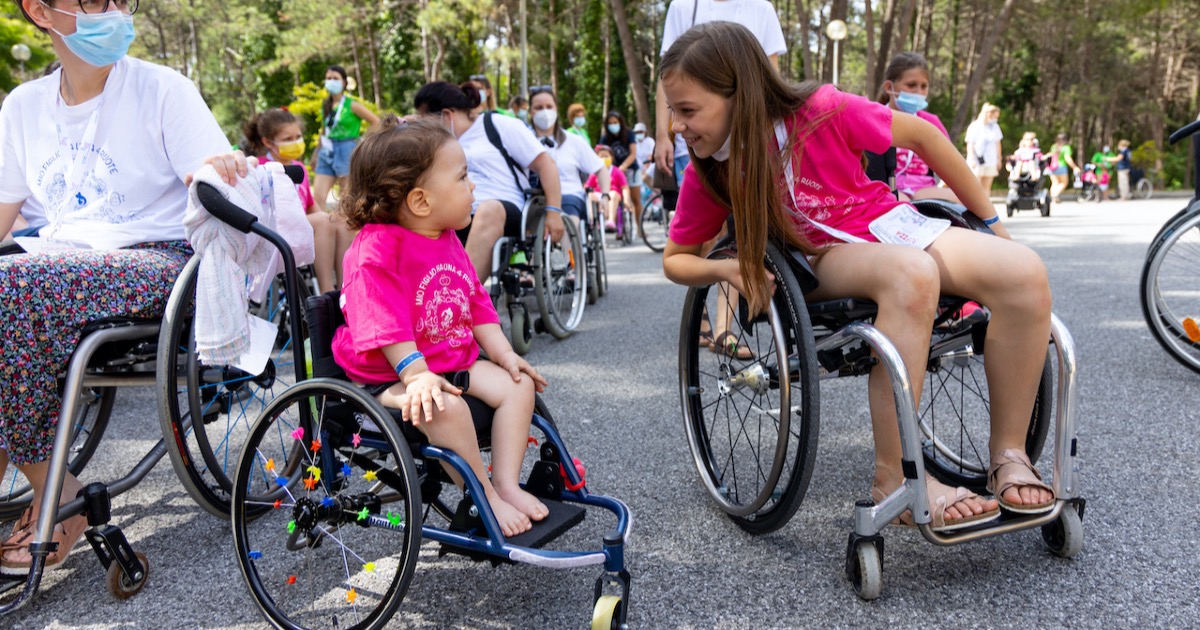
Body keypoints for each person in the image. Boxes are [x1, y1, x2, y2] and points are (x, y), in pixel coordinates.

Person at [660, 22, 1055, 531]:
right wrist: (727, 266)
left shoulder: (821, 109)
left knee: (1024, 270)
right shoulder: (710, 166)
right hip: (817, 258)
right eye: (674, 109)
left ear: (742, 92)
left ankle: (1008, 454)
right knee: (910, 274)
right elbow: (676, 259)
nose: (675, 126)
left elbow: (924, 135)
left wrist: (994, 224)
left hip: (884, 222)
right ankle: (896, 477)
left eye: (687, 110)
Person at [0, 0, 245, 573]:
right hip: (55, 259)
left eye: (120, 0)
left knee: (8, 286)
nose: (113, 12)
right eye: (92, 1)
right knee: (14, 283)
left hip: (154, 259)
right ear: (40, 11)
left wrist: (217, 169)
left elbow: (209, 175)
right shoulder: (23, 106)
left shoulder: (163, 90)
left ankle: (58, 492)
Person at [332, 117, 550, 537]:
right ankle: (483, 493)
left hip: (446, 359)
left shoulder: (446, 236)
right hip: (390, 373)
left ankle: (506, 482)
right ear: (420, 201)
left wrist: (505, 356)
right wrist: (416, 376)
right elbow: (385, 324)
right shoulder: (375, 251)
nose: (474, 186)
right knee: (442, 407)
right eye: (463, 176)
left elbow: (477, 303)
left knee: (518, 383)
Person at [413, 81, 564, 284]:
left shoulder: (499, 125)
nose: (424, 128)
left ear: (447, 115)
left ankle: (459, 299)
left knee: (488, 209)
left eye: (425, 121)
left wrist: (554, 212)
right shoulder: (436, 145)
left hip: (502, 209)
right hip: (454, 213)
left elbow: (546, 164)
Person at [654, 0, 786, 186]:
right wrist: (662, 136)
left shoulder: (762, 8)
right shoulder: (682, 6)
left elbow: (770, 78)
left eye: (688, 110)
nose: (676, 125)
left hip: (753, 145)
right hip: (696, 150)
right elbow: (666, 78)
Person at [242, 108, 339, 292]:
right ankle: (328, 293)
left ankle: (346, 291)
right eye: (288, 139)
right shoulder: (260, 167)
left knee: (340, 222)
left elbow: (311, 206)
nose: (295, 142)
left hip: (300, 227)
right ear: (268, 142)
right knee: (324, 221)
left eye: (298, 136)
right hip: (274, 231)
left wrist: (334, 220)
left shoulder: (299, 167)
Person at [877, 52, 960, 203]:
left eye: (924, 86)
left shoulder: (931, 122)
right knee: (900, 205)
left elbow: (953, 166)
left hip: (924, 189)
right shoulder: (875, 119)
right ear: (889, 87)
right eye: (911, 85)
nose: (919, 92)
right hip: (887, 187)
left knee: (964, 201)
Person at [529, 87, 611, 230]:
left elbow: (600, 169)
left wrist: (605, 196)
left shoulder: (574, 141)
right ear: (531, 112)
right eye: (539, 107)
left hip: (568, 196)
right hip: (533, 200)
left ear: (556, 110)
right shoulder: (522, 141)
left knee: (567, 221)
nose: (544, 111)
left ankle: (568, 252)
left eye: (549, 107)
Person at [599, 111, 643, 234]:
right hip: (614, 173)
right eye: (610, 123)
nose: (613, 125)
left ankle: (640, 228)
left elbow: (633, 154)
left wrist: (623, 166)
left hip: (631, 170)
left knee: (636, 200)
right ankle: (619, 228)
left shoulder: (629, 134)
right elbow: (601, 154)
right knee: (616, 198)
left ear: (620, 123)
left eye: (615, 122)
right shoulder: (605, 138)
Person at [586, 145, 631, 234]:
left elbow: (625, 187)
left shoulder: (617, 172)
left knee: (613, 194)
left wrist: (626, 200)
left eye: (606, 156)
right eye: (601, 156)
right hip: (598, 195)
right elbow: (587, 186)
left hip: (613, 195)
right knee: (590, 196)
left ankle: (611, 221)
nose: (604, 158)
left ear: (612, 158)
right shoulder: (595, 172)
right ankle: (593, 221)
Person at [964, 103, 1003, 193]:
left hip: (990, 160)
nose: (995, 119)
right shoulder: (975, 126)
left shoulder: (995, 127)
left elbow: (997, 143)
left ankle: (985, 206)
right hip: (977, 160)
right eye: (994, 116)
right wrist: (971, 158)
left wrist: (999, 159)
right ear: (988, 114)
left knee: (986, 188)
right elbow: (970, 143)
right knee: (975, 186)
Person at [1047, 133, 1081, 204]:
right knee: (1064, 183)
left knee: (1055, 182)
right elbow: (1067, 158)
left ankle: (1053, 199)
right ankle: (1055, 195)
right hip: (1061, 166)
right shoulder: (1066, 147)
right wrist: (1074, 167)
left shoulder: (1053, 146)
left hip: (1052, 167)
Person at [633, 122, 656, 190]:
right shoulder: (634, 143)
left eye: (641, 132)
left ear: (645, 132)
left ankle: (657, 192)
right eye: (637, 132)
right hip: (638, 168)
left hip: (650, 166)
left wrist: (645, 170)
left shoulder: (650, 141)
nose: (639, 133)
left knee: (644, 177)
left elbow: (650, 157)